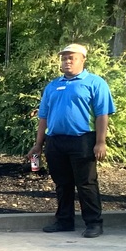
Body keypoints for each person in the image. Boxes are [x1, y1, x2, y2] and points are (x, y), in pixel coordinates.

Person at [29, 43, 114, 238]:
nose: (67, 61)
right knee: (62, 183)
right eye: (64, 58)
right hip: (56, 141)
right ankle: (64, 221)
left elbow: (102, 115)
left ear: (83, 60)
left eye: (71, 57)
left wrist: (101, 142)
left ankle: (94, 223)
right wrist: (38, 144)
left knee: (86, 183)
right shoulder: (52, 85)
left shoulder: (95, 83)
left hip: (82, 140)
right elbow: (44, 116)